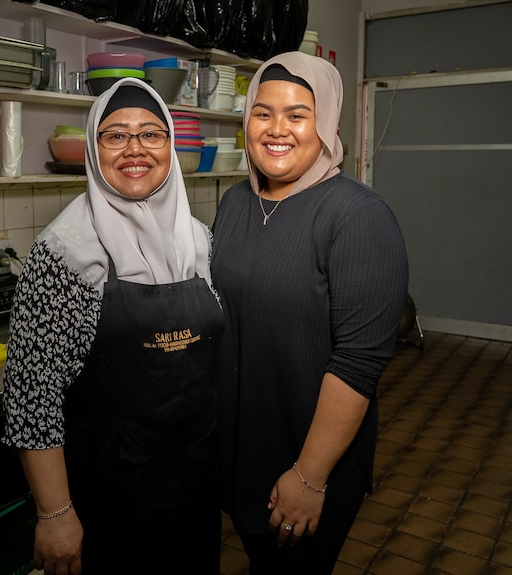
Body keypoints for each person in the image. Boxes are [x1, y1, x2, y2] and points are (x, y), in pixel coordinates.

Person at [2, 77, 224, 575]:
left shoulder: (201, 241)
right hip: (108, 493)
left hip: (194, 484)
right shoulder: (65, 252)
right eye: (115, 135)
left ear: (170, 144)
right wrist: (55, 515)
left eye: (151, 133)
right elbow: (31, 399)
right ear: (92, 148)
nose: (135, 149)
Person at [210, 51, 409, 574]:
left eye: (298, 115)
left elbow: (358, 362)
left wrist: (309, 476)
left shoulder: (357, 216)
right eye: (262, 112)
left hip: (308, 457)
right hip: (245, 444)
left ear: (325, 125)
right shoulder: (234, 203)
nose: (278, 129)